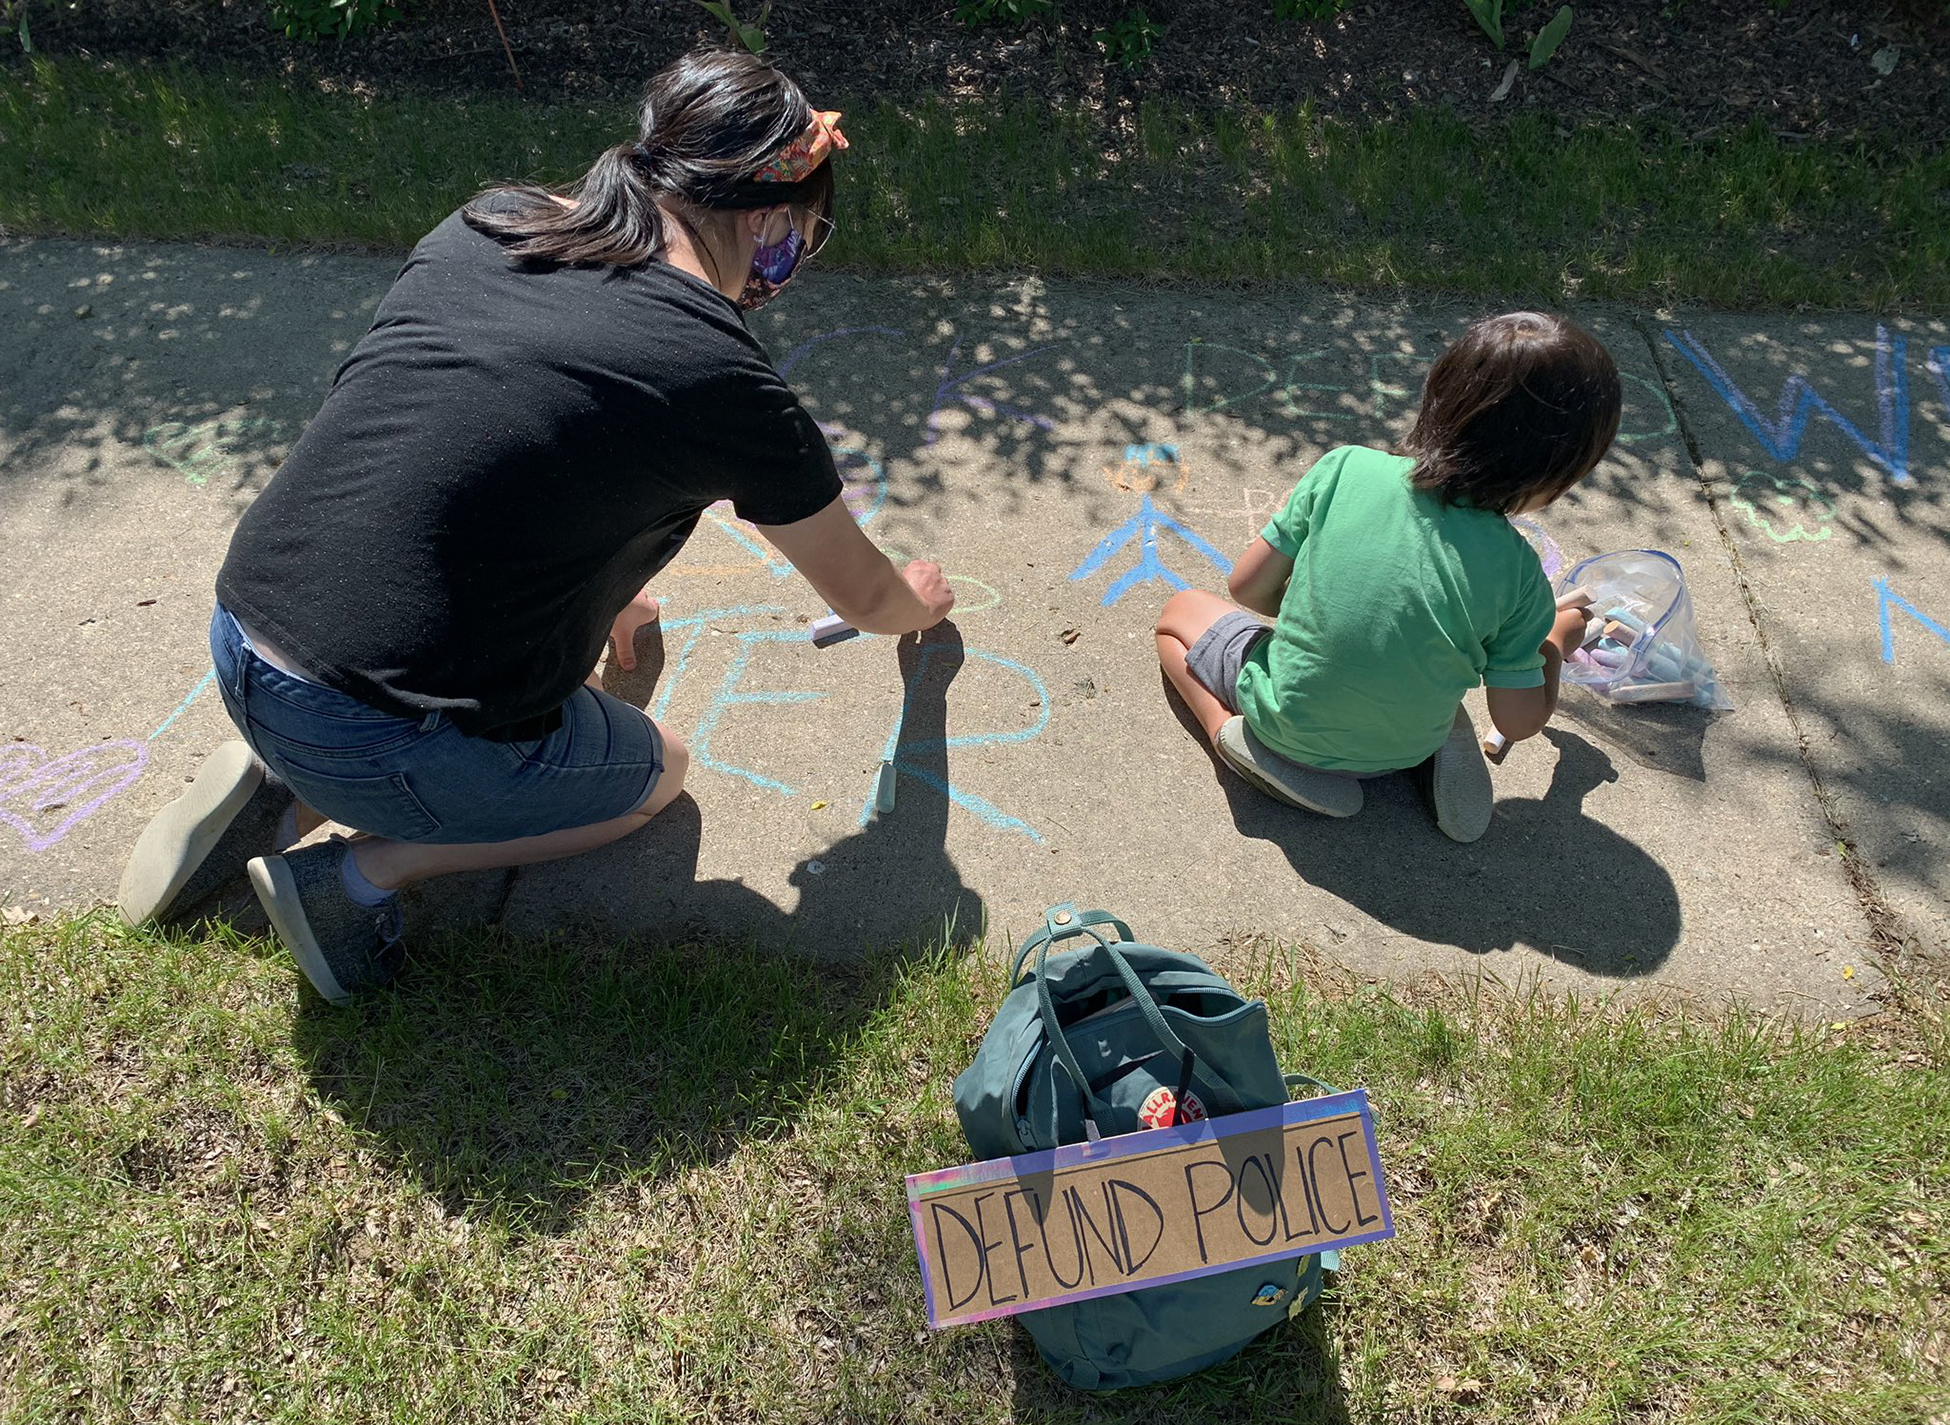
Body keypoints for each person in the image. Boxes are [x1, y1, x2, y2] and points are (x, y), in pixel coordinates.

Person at [116, 47, 954, 1002]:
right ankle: (355, 876)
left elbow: (475, 456)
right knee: (654, 777)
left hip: (241, 637)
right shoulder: (720, 379)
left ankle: (279, 787)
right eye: (798, 241)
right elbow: (864, 594)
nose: (786, 266)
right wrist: (912, 602)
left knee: (369, 704)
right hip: (371, 725)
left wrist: (602, 599)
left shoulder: (494, 221)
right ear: (765, 217)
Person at [1154, 311, 1621, 843]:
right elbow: (1516, 723)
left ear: (1438, 397)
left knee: (1178, 615)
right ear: (1562, 476)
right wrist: (1553, 645)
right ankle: (1434, 744)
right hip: (1402, 746)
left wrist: (1335, 609)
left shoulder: (1346, 469)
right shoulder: (1521, 578)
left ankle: (1236, 738)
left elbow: (1247, 588)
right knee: (1437, 668)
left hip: (1288, 727)